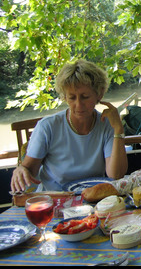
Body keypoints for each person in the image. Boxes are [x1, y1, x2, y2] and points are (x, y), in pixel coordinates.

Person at [11, 59, 128, 192]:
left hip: (94, 199)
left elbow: (115, 175)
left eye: (85, 97)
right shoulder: (47, 127)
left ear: (99, 94)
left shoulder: (106, 125)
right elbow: (29, 169)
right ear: (64, 97)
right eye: (72, 98)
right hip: (55, 199)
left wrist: (118, 129)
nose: (78, 105)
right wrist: (21, 170)